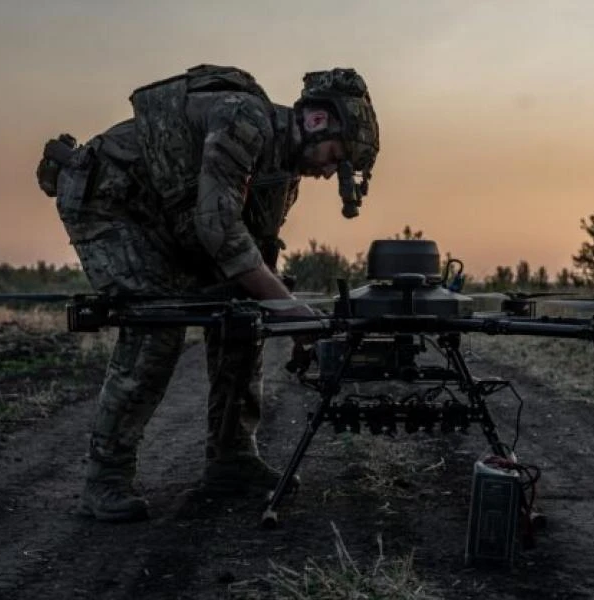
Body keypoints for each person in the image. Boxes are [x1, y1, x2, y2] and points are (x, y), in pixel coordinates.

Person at [34, 65, 379, 522]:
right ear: (318, 121)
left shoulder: (282, 169)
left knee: (243, 317)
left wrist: (285, 316)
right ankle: (106, 477)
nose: (329, 170)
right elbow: (218, 230)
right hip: (110, 203)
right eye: (336, 156)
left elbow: (256, 254)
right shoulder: (243, 118)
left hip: (173, 221)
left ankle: (231, 459)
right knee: (156, 325)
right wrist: (290, 313)